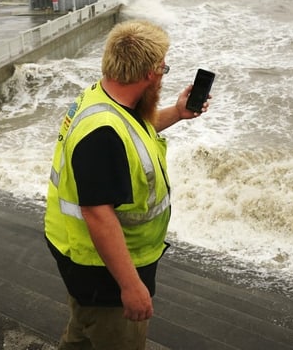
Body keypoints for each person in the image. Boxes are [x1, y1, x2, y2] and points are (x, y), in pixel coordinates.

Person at [44, 20, 211, 349]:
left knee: (83, 331)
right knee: (113, 338)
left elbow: (135, 131)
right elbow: (97, 213)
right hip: (103, 270)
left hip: (87, 258)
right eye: (163, 67)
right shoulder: (102, 133)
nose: (164, 74)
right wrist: (131, 286)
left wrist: (177, 113)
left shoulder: (105, 95)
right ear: (150, 74)